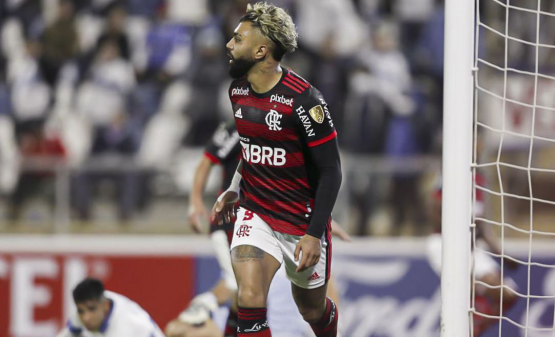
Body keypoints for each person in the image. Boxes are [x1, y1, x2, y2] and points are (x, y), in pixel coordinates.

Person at [211, 3, 343, 336]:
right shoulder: (238, 90)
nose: (229, 45)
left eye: (238, 39)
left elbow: (331, 171)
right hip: (255, 211)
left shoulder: (305, 102)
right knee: (250, 296)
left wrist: (313, 233)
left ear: (260, 50)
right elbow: (252, 148)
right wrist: (234, 187)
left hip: (301, 221)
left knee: (310, 308)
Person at [165, 120, 349, 337]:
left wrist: (318, 220)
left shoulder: (282, 136)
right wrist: (195, 201)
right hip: (234, 218)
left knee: (250, 289)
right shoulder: (242, 125)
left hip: (264, 216)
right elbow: (207, 160)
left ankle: (214, 310)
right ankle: (204, 305)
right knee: (237, 283)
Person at [425, 172, 518, 337]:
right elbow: (433, 207)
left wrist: (500, 254)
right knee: (465, 289)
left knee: (509, 294)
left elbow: (479, 223)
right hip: (447, 248)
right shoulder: (451, 173)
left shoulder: (478, 183)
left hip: (472, 251)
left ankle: (473, 329)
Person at [56, 277, 165, 337]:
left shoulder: (129, 327)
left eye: (92, 310)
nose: (86, 318)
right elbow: (70, 333)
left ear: (105, 306)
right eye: (80, 311)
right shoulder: (91, 304)